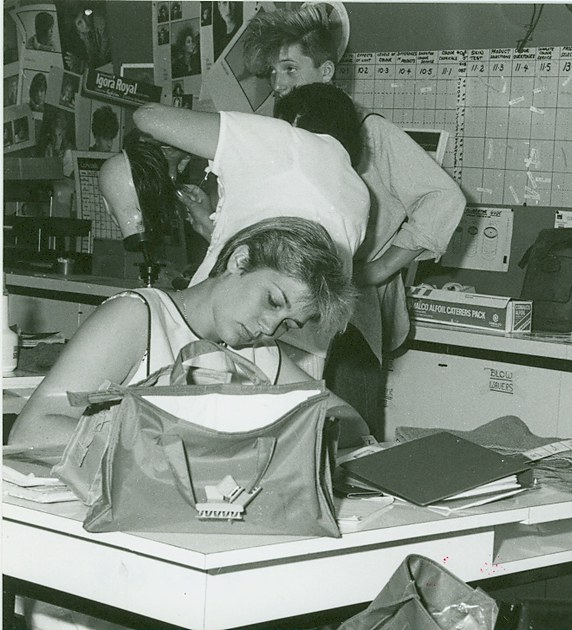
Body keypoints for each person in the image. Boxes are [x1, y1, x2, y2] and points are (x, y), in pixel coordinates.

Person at [243, 2, 466, 439]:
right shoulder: (287, 137)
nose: (279, 84)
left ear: (326, 72)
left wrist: (379, 269)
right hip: (284, 319)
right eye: (273, 73)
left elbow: (444, 198)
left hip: (348, 326)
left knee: (346, 444)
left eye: (289, 69)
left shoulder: (370, 132)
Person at [9, 216, 359, 446]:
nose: (270, 327)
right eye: (272, 300)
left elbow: (349, 420)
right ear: (240, 261)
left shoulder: (259, 354)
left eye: (287, 324)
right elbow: (32, 431)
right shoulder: (139, 316)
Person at [132, 87, 369, 380]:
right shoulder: (359, 194)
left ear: (291, 120)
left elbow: (149, 117)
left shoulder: (288, 141)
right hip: (298, 353)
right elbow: (292, 258)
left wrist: (183, 147)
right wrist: (213, 228)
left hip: (239, 337)